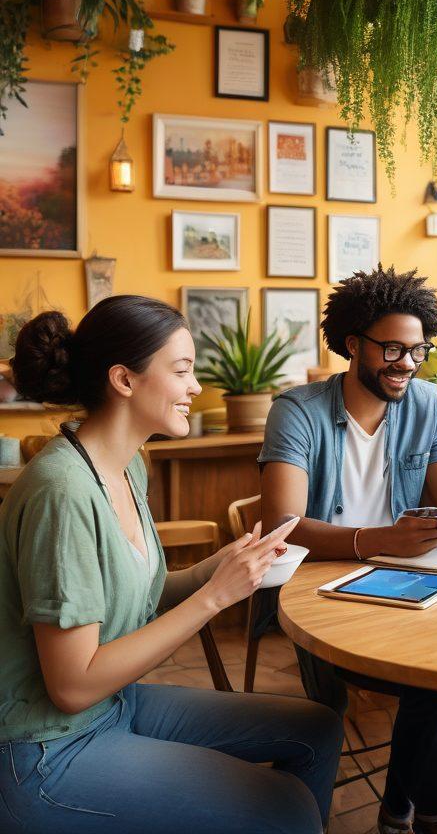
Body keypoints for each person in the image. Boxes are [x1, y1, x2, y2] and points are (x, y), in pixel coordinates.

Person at [0, 295, 344, 834]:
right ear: (124, 379)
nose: (195, 388)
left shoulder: (126, 466)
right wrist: (215, 598)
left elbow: (141, 592)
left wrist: (220, 568)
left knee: (317, 729)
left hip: (115, 706)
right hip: (49, 749)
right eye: (182, 370)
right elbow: (72, 685)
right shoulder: (61, 493)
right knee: (287, 809)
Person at [259, 265, 437, 834]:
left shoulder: (428, 403)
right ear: (352, 343)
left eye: (419, 351)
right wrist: (373, 540)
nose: (407, 365)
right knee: (436, 683)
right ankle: (427, 813)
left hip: (410, 579)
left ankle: (404, 806)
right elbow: (282, 525)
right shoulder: (297, 411)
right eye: (393, 349)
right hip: (317, 592)